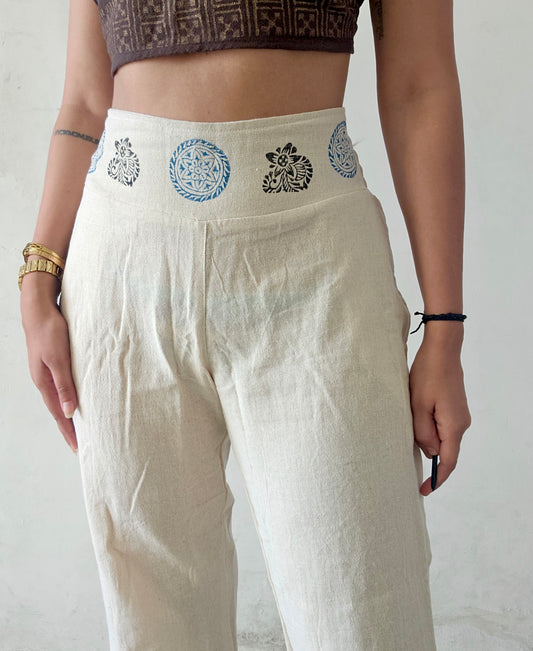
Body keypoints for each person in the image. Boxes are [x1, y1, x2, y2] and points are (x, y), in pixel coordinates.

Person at [19, 0, 471, 648]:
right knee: (154, 622)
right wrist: (38, 274)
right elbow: (87, 102)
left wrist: (444, 331)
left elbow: (419, 86)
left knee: (363, 610)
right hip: (122, 271)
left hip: (316, 267)